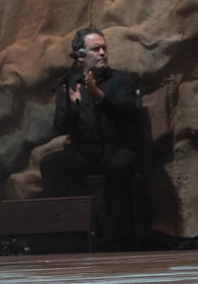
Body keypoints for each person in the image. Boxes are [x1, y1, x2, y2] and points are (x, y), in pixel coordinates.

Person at [40, 28, 141, 249]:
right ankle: (70, 236)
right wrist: (74, 108)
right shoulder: (70, 83)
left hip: (114, 149)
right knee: (50, 165)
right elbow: (60, 126)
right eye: (96, 49)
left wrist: (98, 94)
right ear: (80, 56)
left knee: (121, 164)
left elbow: (126, 115)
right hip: (83, 151)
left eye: (104, 48)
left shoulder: (122, 80)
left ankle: (117, 240)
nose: (103, 53)